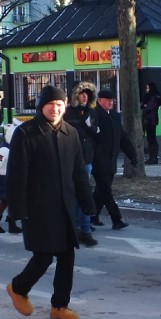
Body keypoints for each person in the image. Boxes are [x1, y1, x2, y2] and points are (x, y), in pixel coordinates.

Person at [5, 85, 95, 319]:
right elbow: (17, 174)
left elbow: (78, 172)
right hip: (38, 207)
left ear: (65, 106)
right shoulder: (26, 133)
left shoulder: (70, 132)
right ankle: (18, 287)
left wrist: (88, 202)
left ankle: (60, 305)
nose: (55, 109)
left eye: (59, 104)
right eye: (50, 104)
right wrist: (18, 210)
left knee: (67, 255)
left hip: (64, 205)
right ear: (41, 106)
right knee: (44, 255)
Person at [91, 88, 138, 230]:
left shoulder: (115, 115)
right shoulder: (95, 115)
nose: (111, 103)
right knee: (106, 191)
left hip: (111, 160)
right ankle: (116, 219)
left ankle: (92, 217)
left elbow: (122, 137)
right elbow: (92, 136)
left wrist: (132, 154)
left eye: (112, 100)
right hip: (98, 161)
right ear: (100, 101)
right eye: (108, 100)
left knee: (101, 191)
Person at [65, 83, 99, 246]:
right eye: (81, 94)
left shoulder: (91, 112)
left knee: (84, 194)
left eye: (87, 94)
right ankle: (75, 228)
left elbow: (96, 132)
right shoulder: (67, 112)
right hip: (70, 158)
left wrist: (91, 126)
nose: (84, 96)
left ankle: (85, 230)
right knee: (73, 195)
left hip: (86, 158)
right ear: (75, 96)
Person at [0, 121, 23, 235]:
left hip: (9, 178)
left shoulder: (11, 148)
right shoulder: (5, 150)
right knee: (9, 201)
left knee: (6, 201)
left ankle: (0, 222)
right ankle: (8, 223)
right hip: (5, 178)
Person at [141, 81, 161, 164]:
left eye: (147, 88)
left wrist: (144, 105)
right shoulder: (153, 96)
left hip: (151, 120)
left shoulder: (154, 97)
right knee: (150, 139)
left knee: (151, 139)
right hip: (150, 119)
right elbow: (142, 105)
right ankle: (152, 157)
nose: (146, 90)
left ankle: (153, 157)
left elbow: (148, 107)